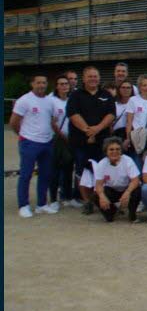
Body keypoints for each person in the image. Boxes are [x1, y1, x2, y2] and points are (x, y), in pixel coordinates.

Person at [67, 66, 116, 213]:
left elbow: (111, 115)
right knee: (82, 172)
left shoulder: (106, 94)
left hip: (102, 142)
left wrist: (97, 129)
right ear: (84, 78)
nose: (93, 79)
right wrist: (88, 131)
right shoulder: (76, 95)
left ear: (99, 78)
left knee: (101, 171)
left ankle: (99, 198)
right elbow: (73, 114)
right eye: (90, 76)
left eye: (95, 76)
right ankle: (87, 201)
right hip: (80, 141)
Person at [11, 74, 57, 217]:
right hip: (29, 142)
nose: (41, 85)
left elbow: (52, 119)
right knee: (26, 174)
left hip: (47, 142)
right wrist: (24, 136)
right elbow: (14, 122)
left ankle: (41, 204)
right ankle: (23, 205)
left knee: (45, 174)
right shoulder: (24, 100)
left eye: (44, 83)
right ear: (32, 84)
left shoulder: (50, 101)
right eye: (38, 83)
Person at [92, 136, 142, 223]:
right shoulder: (102, 164)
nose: (115, 152)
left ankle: (132, 214)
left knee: (137, 189)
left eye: (117, 149)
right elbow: (99, 184)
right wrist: (102, 196)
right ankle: (111, 211)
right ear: (106, 151)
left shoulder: (127, 160)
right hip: (111, 189)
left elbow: (135, 180)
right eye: (111, 149)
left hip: (126, 188)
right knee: (96, 195)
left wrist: (127, 192)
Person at [48, 75, 76, 211]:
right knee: (55, 168)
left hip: (71, 138)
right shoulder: (52, 101)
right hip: (58, 138)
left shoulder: (71, 100)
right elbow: (52, 122)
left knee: (69, 167)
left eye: (66, 84)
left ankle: (67, 196)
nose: (64, 86)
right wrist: (61, 135)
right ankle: (53, 198)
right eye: (61, 84)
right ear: (57, 86)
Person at [125, 74, 147, 169]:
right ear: (139, 87)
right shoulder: (133, 100)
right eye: (144, 85)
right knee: (137, 166)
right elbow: (129, 121)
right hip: (138, 139)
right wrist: (128, 138)